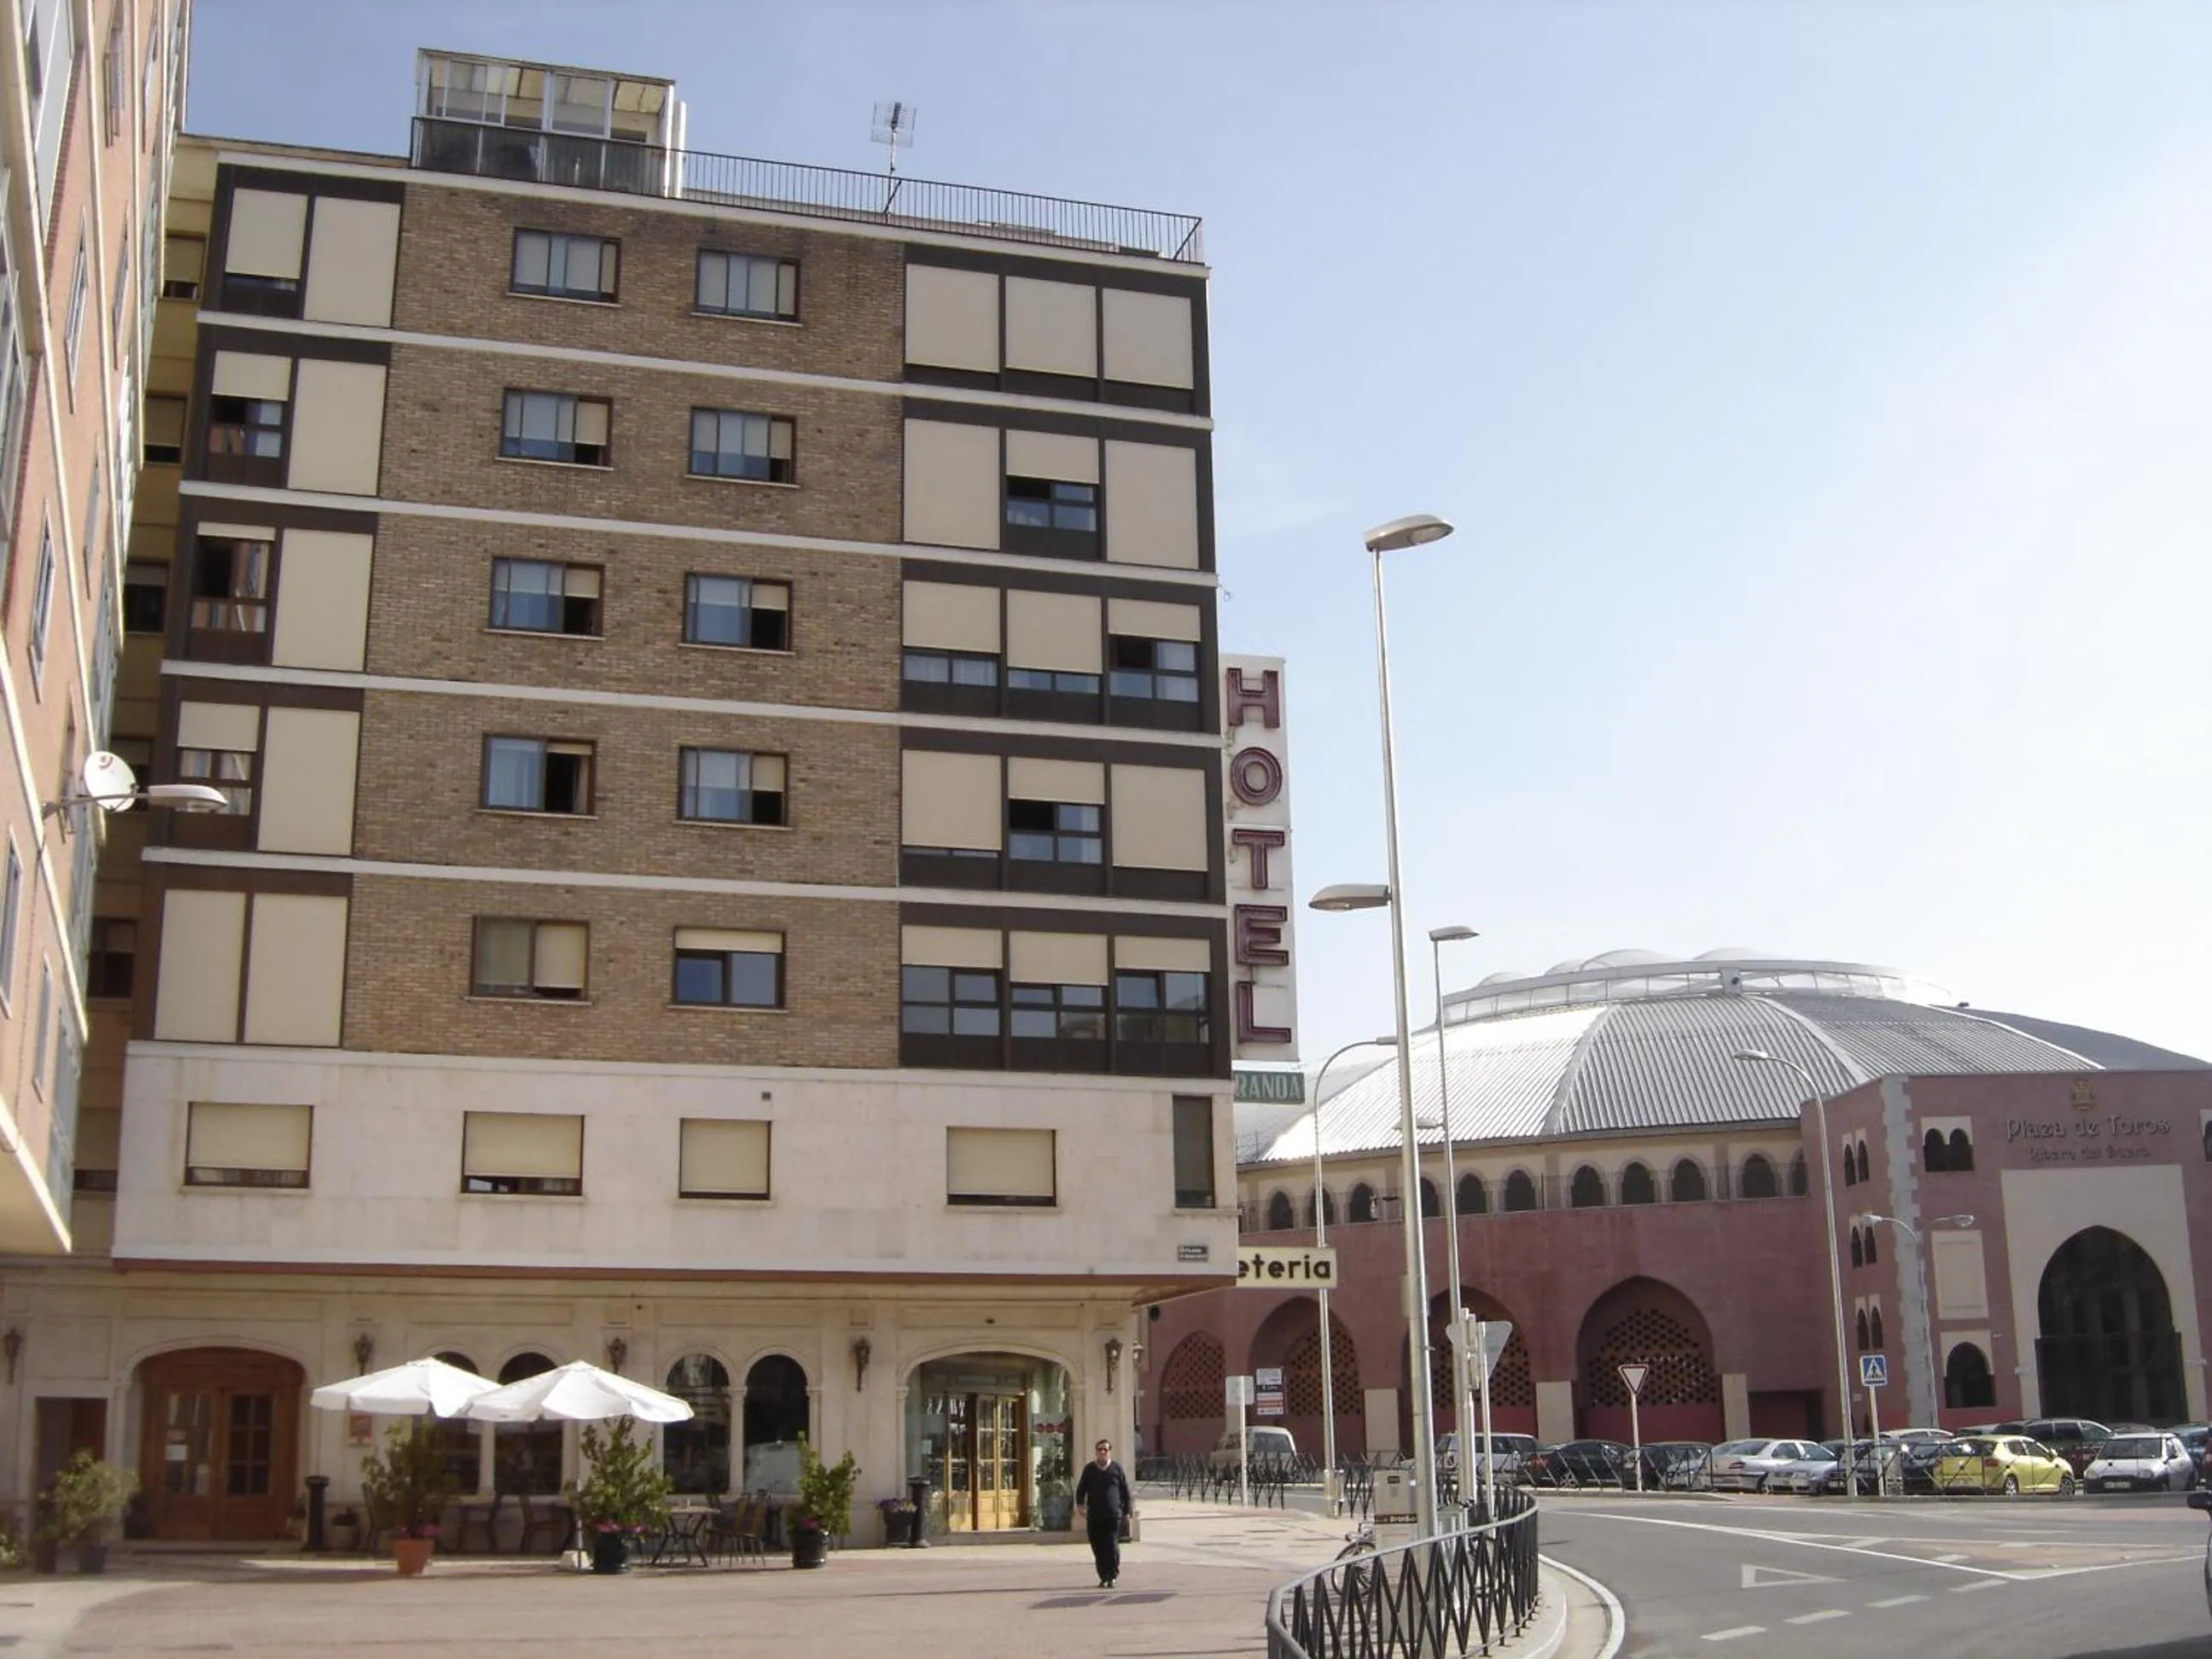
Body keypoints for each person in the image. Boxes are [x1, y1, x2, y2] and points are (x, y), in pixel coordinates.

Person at [1073, 1437, 1132, 1588]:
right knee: (1097, 1547)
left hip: (1113, 1515)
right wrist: (1080, 1506)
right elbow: (1081, 1489)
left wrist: (1127, 1512)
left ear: (1109, 1452)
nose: (1102, 1452)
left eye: (1105, 1450)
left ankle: (1112, 1575)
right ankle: (1103, 1576)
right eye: (1100, 1449)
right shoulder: (1090, 1469)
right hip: (1095, 1515)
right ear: (1096, 1452)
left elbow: (1125, 1491)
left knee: (1111, 1545)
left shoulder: (1116, 1469)